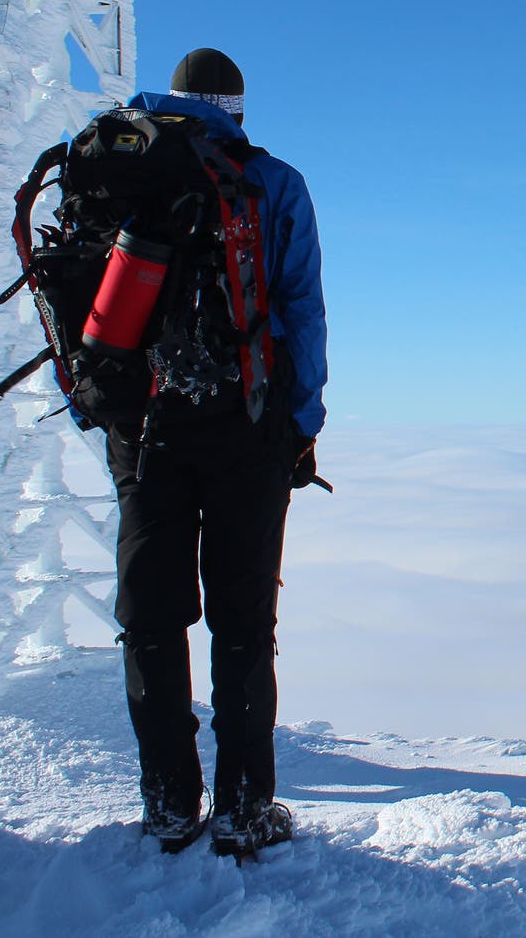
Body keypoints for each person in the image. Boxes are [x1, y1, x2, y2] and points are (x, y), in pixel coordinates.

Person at [110, 47, 328, 857]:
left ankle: (168, 806)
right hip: (247, 424)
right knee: (242, 621)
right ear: (237, 106)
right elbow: (301, 310)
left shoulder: (123, 162)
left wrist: (109, 415)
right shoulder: (274, 183)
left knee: (152, 618)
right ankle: (242, 811)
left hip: (144, 432)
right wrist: (301, 425)